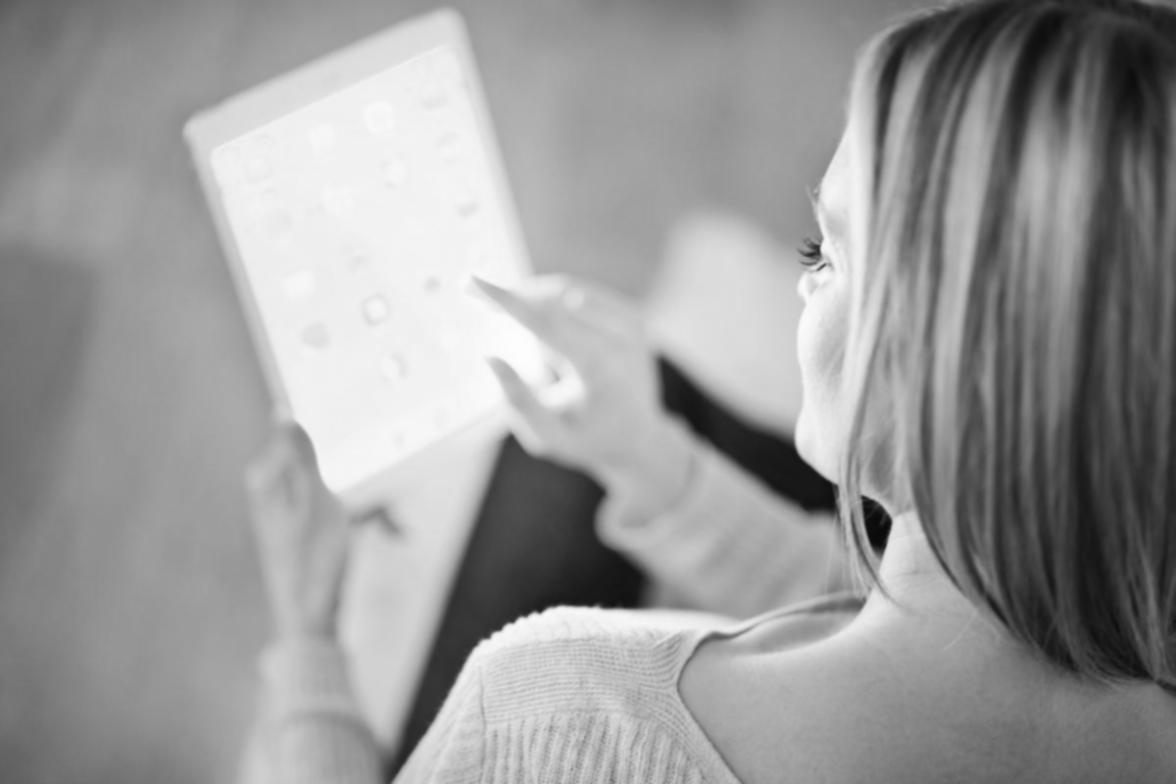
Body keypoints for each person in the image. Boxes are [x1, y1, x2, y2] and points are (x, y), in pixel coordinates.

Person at [240, 0, 1176, 780]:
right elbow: (854, 597)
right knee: (647, 403)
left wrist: (309, 640)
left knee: (569, 452)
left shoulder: (547, 708)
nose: (804, 284)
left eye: (825, 255)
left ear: (948, 358)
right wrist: (652, 459)